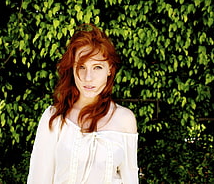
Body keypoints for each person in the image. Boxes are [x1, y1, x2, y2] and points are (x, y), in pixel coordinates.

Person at [27, 24, 139, 184]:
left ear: (110, 69)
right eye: (81, 67)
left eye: (97, 67)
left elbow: (130, 178)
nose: (88, 77)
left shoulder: (125, 119)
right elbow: (39, 178)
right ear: (72, 69)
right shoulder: (54, 117)